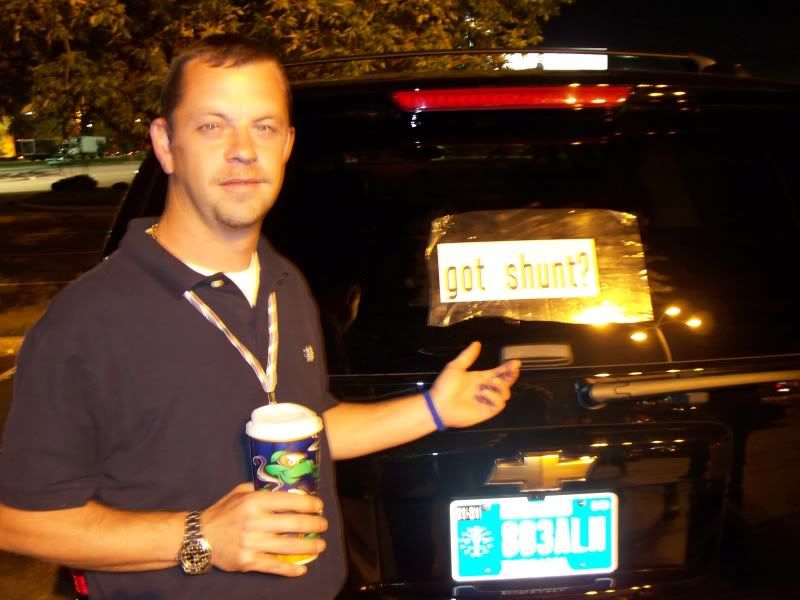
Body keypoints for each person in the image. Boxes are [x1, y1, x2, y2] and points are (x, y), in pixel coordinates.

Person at [0, 34, 520, 599]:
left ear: (287, 144)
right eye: (212, 126)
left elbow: (308, 427)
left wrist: (433, 409)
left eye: (264, 127)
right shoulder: (88, 319)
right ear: (166, 144)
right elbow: (19, 520)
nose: (243, 150)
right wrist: (200, 535)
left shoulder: (284, 283)